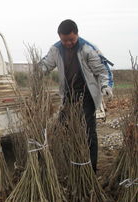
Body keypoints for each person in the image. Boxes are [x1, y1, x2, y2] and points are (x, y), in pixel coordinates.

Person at [39, 19, 114, 172]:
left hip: (86, 95)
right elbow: (45, 65)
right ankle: (69, 162)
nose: (68, 43)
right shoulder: (56, 49)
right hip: (68, 96)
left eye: (71, 40)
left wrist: (106, 86)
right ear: (60, 37)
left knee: (88, 132)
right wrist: (37, 73)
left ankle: (90, 168)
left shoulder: (87, 49)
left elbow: (102, 70)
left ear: (77, 34)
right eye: (64, 40)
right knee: (61, 129)